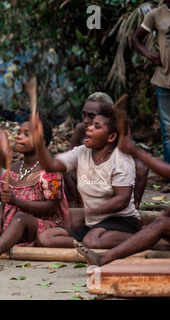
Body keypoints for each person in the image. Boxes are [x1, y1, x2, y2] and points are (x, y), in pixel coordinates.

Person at [0, 117, 71, 268]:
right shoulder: (14, 168)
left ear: (42, 142)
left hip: (43, 225)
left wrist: (17, 202)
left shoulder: (50, 169)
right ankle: (6, 239)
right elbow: (4, 203)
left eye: (27, 134)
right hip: (10, 223)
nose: (18, 136)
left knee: (20, 218)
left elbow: (51, 207)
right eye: (19, 133)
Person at [33, 104, 142, 249]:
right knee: (45, 238)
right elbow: (50, 166)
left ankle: (143, 238)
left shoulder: (121, 159)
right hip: (93, 225)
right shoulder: (81, 152)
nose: (88, 128)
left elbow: (122, 199)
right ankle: (86, 245)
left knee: (92, 240)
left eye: (96, 126)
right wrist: (40, 143)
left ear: (111, 137)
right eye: (91, 125)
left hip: (122, 222)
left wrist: (93, 211)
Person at [74, 124, 170, 266]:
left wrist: (135, 151)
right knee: (162, 222)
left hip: (122, 220)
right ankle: (150, 240)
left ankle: (104, 258)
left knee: (161, 223)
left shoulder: (121, 159)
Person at [65, 92, 148, 208]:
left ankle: (134, 206)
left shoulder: (116, 132)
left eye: (91, 116)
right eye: (84, 114)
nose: (85, 120)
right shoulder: (80, 129)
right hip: (86, 183)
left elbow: (138, 164)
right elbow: (70, 163)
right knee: (65, 168)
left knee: (141, 166)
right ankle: (73, 206)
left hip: (110, 183)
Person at [131, 1, 170, 168]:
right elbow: (135, 38)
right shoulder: (156, 14)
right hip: (164, 80)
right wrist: (149, 54)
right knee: (168, 131)